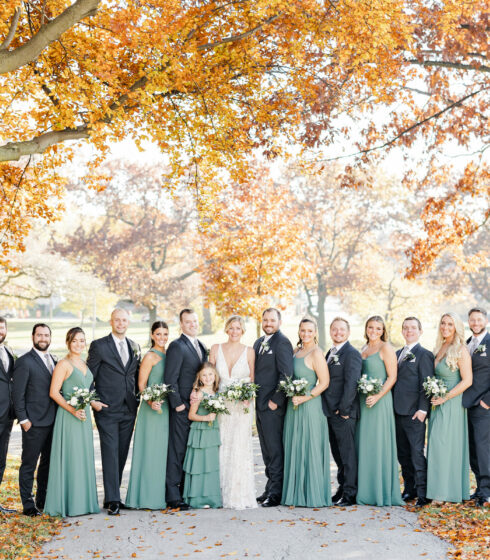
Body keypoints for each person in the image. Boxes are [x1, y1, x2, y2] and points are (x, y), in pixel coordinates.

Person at [87, 308, 141, 516]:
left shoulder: (134, 346)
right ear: (111, 322)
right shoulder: (99, 346)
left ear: (128, 322)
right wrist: (94, 401)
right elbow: (87, 375)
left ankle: (114, 494)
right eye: (117, 320)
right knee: (109, 452)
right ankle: (112, 499)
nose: (120, 323)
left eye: (124, 320)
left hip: (128, 408)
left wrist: (136, 398)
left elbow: (134, 376)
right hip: (106, 408)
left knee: (121, 452)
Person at [44, 328, 100, 517]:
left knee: (82, 458)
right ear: (68, 342)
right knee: (71, 458)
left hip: (84, 419)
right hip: (69, 417)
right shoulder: (63, 364)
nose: (79, 344)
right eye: (75, 341)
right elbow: (53, 392)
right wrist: (72, 410)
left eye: (82, 341)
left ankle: (83, 502)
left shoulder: (84, 363)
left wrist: (94, 403)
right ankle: (68, 503)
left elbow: (86, 389)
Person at [282, 317, 331, 507]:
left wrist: (305, 397)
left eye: (310, 331)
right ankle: (295, 494)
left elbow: (325, 382)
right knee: (295, 446)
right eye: (303, 330)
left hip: (310, 406)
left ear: (315, 332)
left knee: (309, 447)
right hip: (293, 406)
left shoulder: (317, 353)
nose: (306, 334)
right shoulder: (296, 352)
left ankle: (312, 494)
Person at [209, 316, 257, 509]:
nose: (234, 331)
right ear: (226, 329)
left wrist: (248, 396)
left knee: (239, 446)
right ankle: (217, 492)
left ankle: (238, 493)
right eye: (231, 328)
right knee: (221, 444)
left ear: (243, 330)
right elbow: (210, 377)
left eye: (238, 328)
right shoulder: (215, 349)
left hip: (241, 406)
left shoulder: (250, 351)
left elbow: (252, 380)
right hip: (221, 405)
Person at [357, 315, 403, 506]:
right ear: (366, 328)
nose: (374, 331)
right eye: (370, 327)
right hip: (363, 401)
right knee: (364, 444)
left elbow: (392, 377)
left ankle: (380, 492)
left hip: (380, 401)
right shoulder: (363, 348)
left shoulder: (386, 348)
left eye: (378, 328)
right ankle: (364, 491)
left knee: (378, 444)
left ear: (383, 330)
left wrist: (377, 396)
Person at [12, 323, 57, 516]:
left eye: (46, 335)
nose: (43, 338)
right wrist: (23, 419)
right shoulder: (24, 361)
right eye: (39, 335)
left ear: (50, 337)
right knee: (29, 464)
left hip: (52, 421)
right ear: (33, 337)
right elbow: (17, 394)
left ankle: (42, 499)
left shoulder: (54, 360)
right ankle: (28, 505)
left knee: (47, 463)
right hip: (33, 423)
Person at [427, 313, 472, 503]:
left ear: (457, 327)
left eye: (450, 324)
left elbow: (468, 380)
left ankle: (445, 493)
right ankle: (438, 490)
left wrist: (445, 397)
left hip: (452, 403)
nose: (445, 327)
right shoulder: (439, 347)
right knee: (436, 446)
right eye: (443, 323)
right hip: (437, 403)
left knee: (445, 445)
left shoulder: (461, 350)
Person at [165, 309, 207, 510]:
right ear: (181, 324)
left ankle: (186, 492)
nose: (192, 324)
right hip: (182, 408)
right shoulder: (176, 346)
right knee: (177, 449)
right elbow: (170, 379)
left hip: (197, 408)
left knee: (190, 449)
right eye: (188, 322)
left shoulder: (200, 346)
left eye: (195, 321)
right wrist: (179, 405)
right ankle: (173, 496)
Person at [126, 321, 170, 510]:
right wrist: (151, 401)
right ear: (152, 335)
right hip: (151, 409)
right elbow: (141, 385)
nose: (162, 338)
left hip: (166, 407)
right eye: (158, 334)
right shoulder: (150, 357)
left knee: (163, 452)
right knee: (150, 451)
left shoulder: (170, 354)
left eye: (165, 334)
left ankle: (162, 494)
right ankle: (145, 497)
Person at [253, 308, 294, 508]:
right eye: (265, 319)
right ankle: (270, 487)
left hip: (272, 407)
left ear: (279, 322)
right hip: (259, 405)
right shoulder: (259, 343)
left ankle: (276, 493)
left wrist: (275, 401)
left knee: (275, 450)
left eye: (272, 320)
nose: (268, 323)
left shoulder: (282, 342)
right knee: (266, 449)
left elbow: (286, 375)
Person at [393, 317, 433, 507]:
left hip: (414, 413)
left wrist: (423, 409)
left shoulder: (424, 354)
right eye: (406, 328)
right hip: (397, 411)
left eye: (413, 328)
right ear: (402, 331)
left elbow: (426, 384)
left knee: (416, 453)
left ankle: (424, 494)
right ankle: (410, 489)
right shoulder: (397, 353)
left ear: (420, 331)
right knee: (403, 454)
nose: (409, 331)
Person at [322, 317, 362, 507]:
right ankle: (342, 487)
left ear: (348, 332)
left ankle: (350, 493)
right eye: (334, 329)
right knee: (337, 455)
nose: (338, 332)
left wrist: (344, 410)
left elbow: (351, 383)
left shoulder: (352, 353)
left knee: (347, 455)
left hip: (343, 413)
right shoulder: (330, 352)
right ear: (330, 331)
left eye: (342, 330)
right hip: (329, 412)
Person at [183, 363, 222, 509]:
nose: (208, 378)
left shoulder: (216, 392)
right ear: (199, 377)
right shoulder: (198, 393)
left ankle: (211, 498)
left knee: (210, 465)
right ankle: (197, 498)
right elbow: (191, 415)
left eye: (210, 374)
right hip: (200, 431)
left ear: (215, 376)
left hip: (212, 432)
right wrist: (206, 418)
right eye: (204, 375)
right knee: (200, 464)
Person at [463, 307, 490, 507]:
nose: (475, 323)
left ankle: (486, 492)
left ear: (486, 321)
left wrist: (487, 401)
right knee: (472, 448)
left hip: (483, 405)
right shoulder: (467, 344)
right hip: (467, 405)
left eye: (479, 319)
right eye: (472, 320)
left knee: (483, 449)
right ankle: (479, 488)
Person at [0, 316, 16, 514]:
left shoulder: (8, 351)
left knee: (1, 461)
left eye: (2, 328)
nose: (0, 331)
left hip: (6, 416)